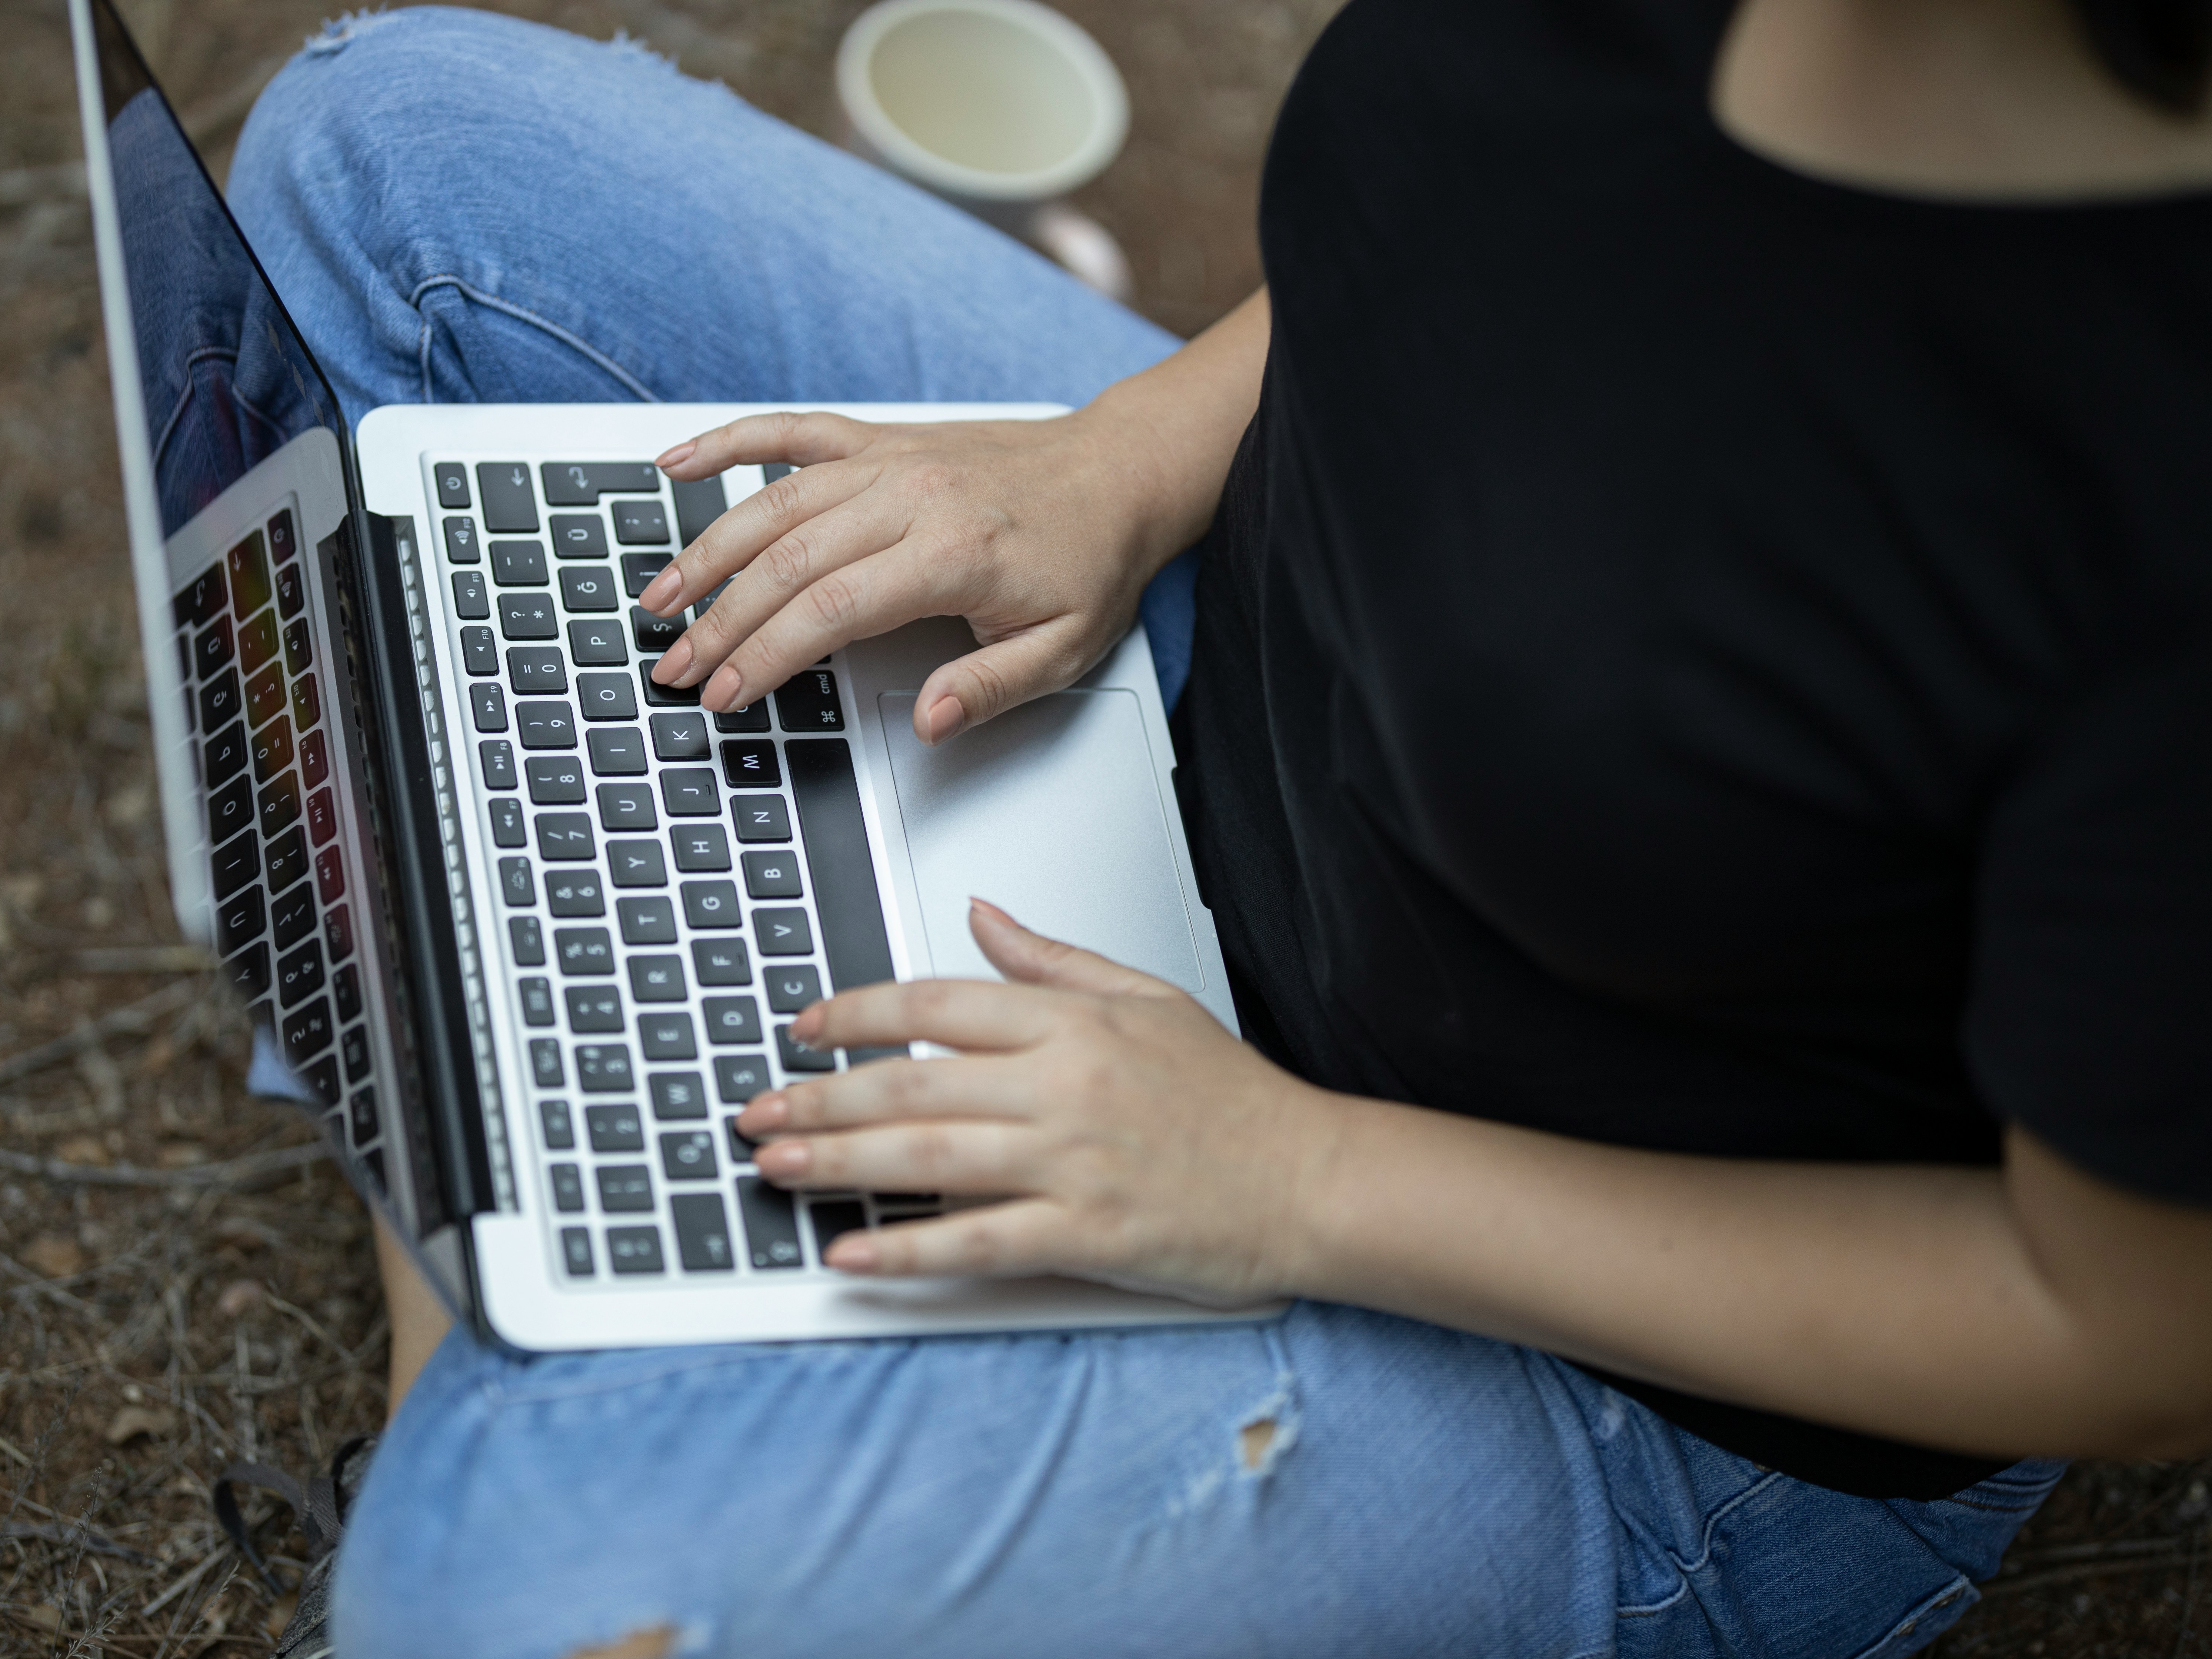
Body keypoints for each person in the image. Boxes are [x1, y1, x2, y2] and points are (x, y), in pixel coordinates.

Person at [218, 0, 2212, 1652]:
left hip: (1612, 1359)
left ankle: (537, 1297)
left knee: (491, 1587)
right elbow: (1489, 223)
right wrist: (1119, 459)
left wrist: (1289, 1181)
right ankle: (530, 1243)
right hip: (1216, 663)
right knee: (395, 161)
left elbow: (2133, 1334)